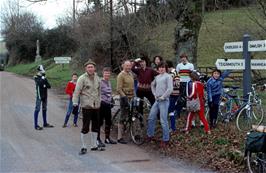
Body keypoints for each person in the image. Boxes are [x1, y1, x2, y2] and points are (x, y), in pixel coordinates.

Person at [73, 60, 104, 155]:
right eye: (88, 67)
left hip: (96, 106)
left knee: (96, 126)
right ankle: (84, 146)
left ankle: (94, 145)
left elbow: (99, 91)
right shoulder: (82, 78)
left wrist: (100, 101)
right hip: (86, 106)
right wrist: (75, 103)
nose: (90, 68)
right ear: (86, 68)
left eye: (92, 67)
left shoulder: (98, 78)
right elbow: (77, 92)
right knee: (85, 127)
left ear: (95, 68)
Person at [147, 62, 173, 148]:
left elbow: (170, 89)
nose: (161, 69)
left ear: (165, 68)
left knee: (163, 120)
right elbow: (152, 85)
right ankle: (150, 135)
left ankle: (166, 139)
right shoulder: (157, 77)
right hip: (157, 100)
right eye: (160, 67)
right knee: (151, 117)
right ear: (158, 69)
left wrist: (163, 96)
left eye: (163, 67)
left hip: (164, 101)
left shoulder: (168, 77)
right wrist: (154, 93)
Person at [116, 60, 135, 144]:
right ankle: (119, 137)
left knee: (131, 115)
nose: (128, 67)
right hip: (124, 97)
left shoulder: (130, 74)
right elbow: (118, 89)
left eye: (129, 66)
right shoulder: (121, 75)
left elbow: (132, 87)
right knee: (123, 116)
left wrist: (134, 96)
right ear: (123, 66)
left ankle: (131, 133)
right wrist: (124, 97)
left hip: (131, 97)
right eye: (127, 66)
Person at [98, 67, 117, 145]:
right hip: (101, 104)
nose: (107, 75)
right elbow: (97, 93)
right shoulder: (100, 82)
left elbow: (109, 92)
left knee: (108, 121)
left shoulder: (109, 82)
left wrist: (112, 99)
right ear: (103, 73)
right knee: (99, 122)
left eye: (108, 73)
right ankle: (98, 139)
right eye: (106, 73)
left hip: (108, 104)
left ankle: (107, 138)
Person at [175, 53, 195, 124]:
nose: (183, 59)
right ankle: (178, 112)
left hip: (188, 83)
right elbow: (176, 74)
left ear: (186, 58)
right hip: (181, 83)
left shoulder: (190, 65)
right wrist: (177, 81)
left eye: (184, 57)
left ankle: (188, 111)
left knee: (188, 97)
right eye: (182, 57)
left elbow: (192, 74)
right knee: (180, 98)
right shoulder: (179, 65)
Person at [33, 65, 54, 130]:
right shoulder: (36, 77)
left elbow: (49, 86)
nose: (44, 71)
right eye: (42, 70)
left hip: (45, 95)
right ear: (39, 71)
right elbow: (39, 83)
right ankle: (36, 125)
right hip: (39, 95)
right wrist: (43, 81)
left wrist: (44, 84)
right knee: (37, 109)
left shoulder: (43, 77)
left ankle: (45, 123)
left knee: (44, 109)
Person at [166, 60, 180, 134]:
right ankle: (171, 126)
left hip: (173, 94)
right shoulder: (170, 73)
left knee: (170, 111)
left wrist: (169, 83)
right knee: (170, 111)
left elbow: (178, 84)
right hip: (170, 94)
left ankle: (173, 127)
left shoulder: (174, 72)